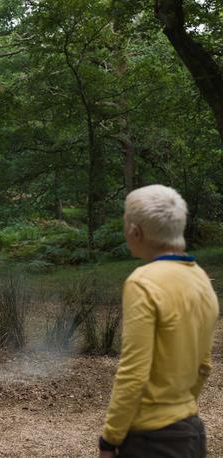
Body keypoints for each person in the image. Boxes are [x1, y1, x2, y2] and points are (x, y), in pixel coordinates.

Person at [99, 184, 219, 458]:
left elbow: (133, 371)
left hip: (151, 440)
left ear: (135, 231)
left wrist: (110, 438)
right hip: (190, 432)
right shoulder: (201, 279)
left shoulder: (143, 282)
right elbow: (204, 366)